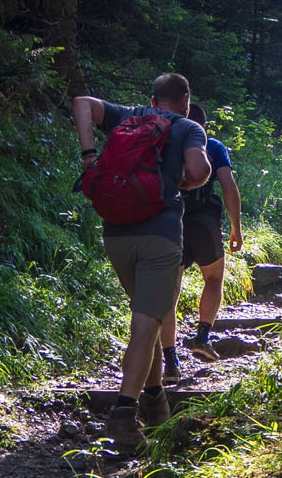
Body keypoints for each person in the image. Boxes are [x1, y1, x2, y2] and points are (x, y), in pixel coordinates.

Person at [72, 73, 209, 448]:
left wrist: (89, 158)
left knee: (146, 319)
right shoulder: (188, 128)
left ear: (153, 99)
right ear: (185, 99)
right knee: (145, 327)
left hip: (116, 234)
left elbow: (81, 102)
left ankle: (155, 401)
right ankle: (122, 417)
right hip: (159, 236)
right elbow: (199, 171)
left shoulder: (127, 116)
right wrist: (186, 183)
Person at [161, 118, 242, 375]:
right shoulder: (214, 146)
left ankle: (170, 360)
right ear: (203, 125)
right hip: (204, 222)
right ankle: (203, 336)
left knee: (170, 292)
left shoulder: (163, 145)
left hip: (170, 221)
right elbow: (228, 186)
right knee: (214, 277)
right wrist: (235, 226)